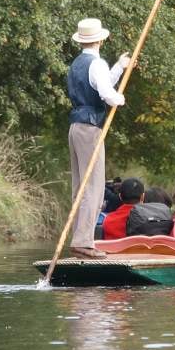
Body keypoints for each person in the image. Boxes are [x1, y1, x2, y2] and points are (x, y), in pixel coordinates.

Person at [65, 17, 132, 259]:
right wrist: (119, 100)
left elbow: (100, 84)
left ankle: (80, 239)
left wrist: (120, 67)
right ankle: (83, 241)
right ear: (101, 40)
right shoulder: (97, 64)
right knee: (93, 187)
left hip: (76, 127)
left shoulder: (78, 64)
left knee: (80, 186)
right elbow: (106, 93)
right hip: (90, 128)